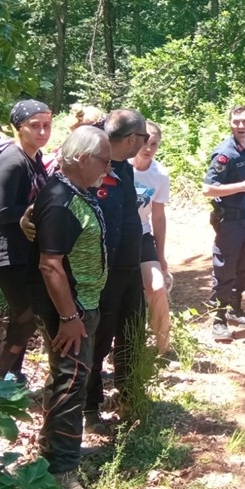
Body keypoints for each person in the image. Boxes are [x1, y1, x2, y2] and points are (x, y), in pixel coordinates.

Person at [28, 125, 112, 489]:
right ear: (80, 159)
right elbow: (50, 265)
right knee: (70, 386)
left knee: (67, 380)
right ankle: (62, 475)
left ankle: (54, 452)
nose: (107, 169)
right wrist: (69, 317)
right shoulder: (62, 199)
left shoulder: (75, 191)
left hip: (83, 307)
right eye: (104, 161)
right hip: (71, 312)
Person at [84, 109, 149, 432]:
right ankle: (90, 409)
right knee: (98, 339)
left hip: (128, 267)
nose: (146, 144)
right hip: (102, 272)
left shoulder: (123, 165)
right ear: (133, 139)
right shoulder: (94, 159)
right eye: (144, 138)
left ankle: (129, 394)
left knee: (132, 331)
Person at [0, 99, 52, 382]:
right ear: (18, 128)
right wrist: (33, 211)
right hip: (8, 253)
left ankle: (13, 376)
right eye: (34, 126)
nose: (42, 132)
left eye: (47, 126)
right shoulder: (13, 161)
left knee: (24, 318)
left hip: (28, 251)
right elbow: (2, 212)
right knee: (25, 319)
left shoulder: (34, 158)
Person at [202, 105, 245, 343]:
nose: (241, 126)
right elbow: (208, 189)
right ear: (230, 124)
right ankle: (219, 320)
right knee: (225, 268)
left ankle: (235, 308)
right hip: (230, 222)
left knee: (244, 267)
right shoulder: (225, 154)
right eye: (236, 122)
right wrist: (242, 186)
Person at [131, 120, 173, 362]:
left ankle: (164, 348)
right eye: (145, 142)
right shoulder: (118, 167)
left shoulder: (160, 175)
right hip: (117, 237)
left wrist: (161, 255)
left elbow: (158, 216)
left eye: (154, 144)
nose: (148, 148)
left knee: (156, 287)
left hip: (143, 235)